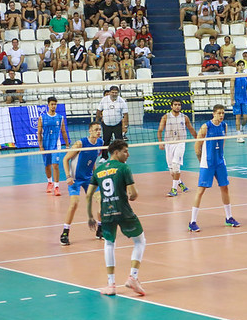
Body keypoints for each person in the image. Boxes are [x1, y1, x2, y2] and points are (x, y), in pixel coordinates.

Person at [86, 139, 147, 296]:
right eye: (125, 151)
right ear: (115, 152)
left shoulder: (98, 170)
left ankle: (111, 284)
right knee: (140, 241)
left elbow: (88, 195)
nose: (128, 154)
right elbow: (133, 194)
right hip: (124, 211)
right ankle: (133, 277)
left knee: (109, 244)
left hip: (106, 213)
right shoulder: (124, 168)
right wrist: (132, 196)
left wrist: (90, 216)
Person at [188, 104, 241, 232]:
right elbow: (197, 146)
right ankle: (192, 222)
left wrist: (220, 156)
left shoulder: (224, 126)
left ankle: (229, 218)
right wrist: (202, 161)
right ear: (213, 114)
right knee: (201, 190)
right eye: (219, 113)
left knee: (225, 187)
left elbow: (222, 142)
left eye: (223, 113)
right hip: (208, 163)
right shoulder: (206, 127)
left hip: (220, 161)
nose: (221, 115)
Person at [61, 122, 104, 246]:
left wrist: (96, 175)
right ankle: (65, 233)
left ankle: (100, 230)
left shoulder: (100, 143)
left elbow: (92, 160)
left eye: (99, 129)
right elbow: (65, 159)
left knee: (101, 201)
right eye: (96, 130)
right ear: (89, 131)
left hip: (89, 178)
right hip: (74, 179)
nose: (98, 132)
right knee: (74, 204)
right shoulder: (80, 143)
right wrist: (68, 176)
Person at [157, 99, 198, 197]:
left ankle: (174, 189)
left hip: (180, 143)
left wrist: (198, 140)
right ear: (171, 106)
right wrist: (160, 143)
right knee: (172, 170)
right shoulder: (166, 117)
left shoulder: (184, 117)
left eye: (179, 105)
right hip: (169, 144)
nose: (177, 106)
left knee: (176, 166)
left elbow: (191, 129)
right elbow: (160, 130)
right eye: (175, 105)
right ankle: (181, 184)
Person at [37, 96, 70, 196]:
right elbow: (39, 133)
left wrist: (67, 145)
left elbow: (63, 132)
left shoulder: (60, 118)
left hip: (56, 145)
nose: (53, 106)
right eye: (52, 104)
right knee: (47, 166)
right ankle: (50, 182)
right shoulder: (42, 117)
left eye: (55, 104)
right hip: (46, 145)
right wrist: (41, 147)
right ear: (48, 105)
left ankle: (56, 187)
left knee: (55, 165)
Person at [96, 86, 129, 160]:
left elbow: (125, 114)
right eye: (113, 92)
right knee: (105, 141)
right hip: (106, 125)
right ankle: (104, 157)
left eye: (116, 92)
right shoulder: (104, 100)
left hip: (117, 124)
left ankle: (121, 158)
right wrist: (97, 121)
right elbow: (98, 110)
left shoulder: (121, 101)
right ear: (110, 92)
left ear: (118, 93)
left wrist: (125, 126)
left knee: (120, 142)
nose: (114, 94)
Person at [231, 60, 247, 142]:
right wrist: (232, 99)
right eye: (239, 65)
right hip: (237, 99)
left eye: (242, 65)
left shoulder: (246, 77)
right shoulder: (234, 76)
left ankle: (241, 128)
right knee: (238, 117)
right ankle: (238, 135)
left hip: (244, 100)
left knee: (246, 118)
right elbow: (232, 88)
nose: (241, 66)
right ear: (237, 66)